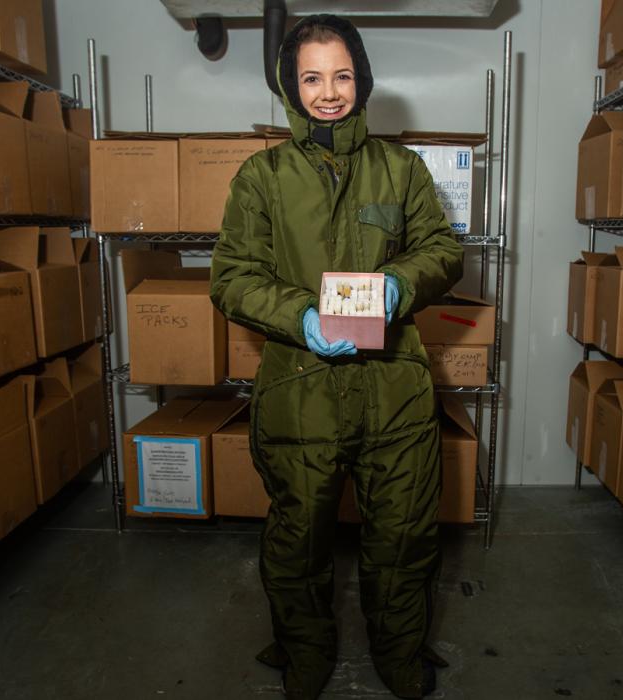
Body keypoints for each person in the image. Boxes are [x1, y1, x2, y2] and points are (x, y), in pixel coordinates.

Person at [209, 14, 465, 700]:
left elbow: (443, 250)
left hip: (396, 390)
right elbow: (231, 276)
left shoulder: (400, 169)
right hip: (301, 389)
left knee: (404, 539)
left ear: (364, 80)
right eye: (312, 77)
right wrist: (297, 315)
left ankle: (400, 655)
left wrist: (399, 283)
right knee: (298, 546)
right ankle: (307, 654)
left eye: (342, 75)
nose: (329, 92)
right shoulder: (261, 177)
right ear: (291, 87)